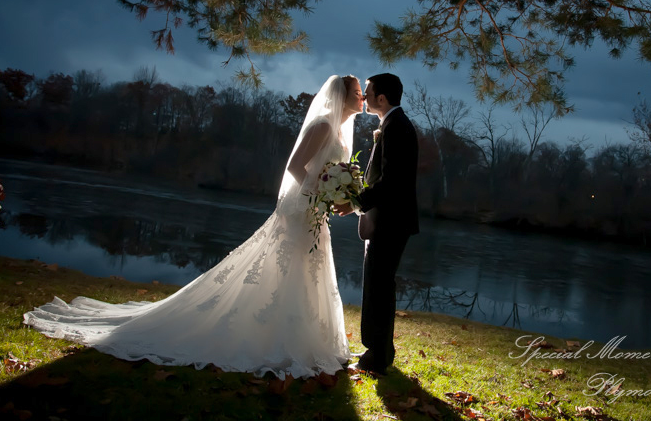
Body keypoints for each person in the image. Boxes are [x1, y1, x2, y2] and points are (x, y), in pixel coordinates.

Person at [23, 75, 364, 380]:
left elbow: (326, 172)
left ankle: (303, 340)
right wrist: (320, 193)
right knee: (290, 270)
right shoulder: (322, 125)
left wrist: (336, 194)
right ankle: (279, 341)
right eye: (357, 92)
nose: (361, 97)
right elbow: (294, 167)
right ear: (341, 96)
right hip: (301, 210)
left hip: (315, 213)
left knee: (307, 270)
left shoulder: (341, 132)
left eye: (362, 92)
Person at [337, 73, 419, 375]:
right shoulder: (393, 124)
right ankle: (380, 351)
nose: (364, 98)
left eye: (368, 93)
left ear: (381, 98)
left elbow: (391, 181)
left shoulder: (396, 127)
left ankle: (375, 357)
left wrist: (356, 202)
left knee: (378, 288)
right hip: (389, 220)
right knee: (379, 286)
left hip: (390, 221)